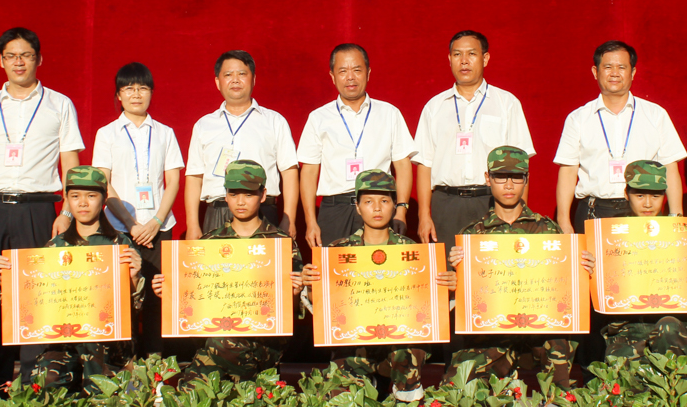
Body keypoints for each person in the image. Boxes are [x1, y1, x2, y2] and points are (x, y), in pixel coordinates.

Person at [0, 28, 85, 384]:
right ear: (1, 61)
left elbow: (70, 162)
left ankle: (35, 382)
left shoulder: (59, 104)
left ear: (38, 59)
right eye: (11, 56)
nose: (18, 62)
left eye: (26, 55)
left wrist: (67, 212)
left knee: (36, 293)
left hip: (37, 208)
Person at [443, 147, 594, 387]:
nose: (509, 185)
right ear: (487, 178)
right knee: (459, 388)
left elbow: (566, 284)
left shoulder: (548, 230)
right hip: (493, 331)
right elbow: (465, 294)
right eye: (500, 177)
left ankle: (557, 398)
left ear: (526, 179)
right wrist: (455, 282)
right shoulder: (472, 235)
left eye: (516, 177)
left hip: (540, 329)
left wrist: (585, 270)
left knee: (559, 344)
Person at [303, 170, 455, 401]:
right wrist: (311, 284)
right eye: (368, 202)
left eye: (384, 201)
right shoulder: (336, 252)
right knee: (340, 399)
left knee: (408, 351)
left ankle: (406, 400)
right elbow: (321, 306)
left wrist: (448, 287)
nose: (376, 208)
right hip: (354, 343)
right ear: (357, 207)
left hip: (398, 343)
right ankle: (364, 389)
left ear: (395, 205)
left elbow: (428, 306)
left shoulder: (413, 252)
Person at [0, 166, 145, 391]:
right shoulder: (55, 246)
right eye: (75, 196)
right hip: (63, 342)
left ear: (104, 200)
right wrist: (3, 280)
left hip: (109, 343)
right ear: (67, 200)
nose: (83, 203)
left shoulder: (120, 245)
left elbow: (135, 307)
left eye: (91, 196)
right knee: (46, 381)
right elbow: (31, 302)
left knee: (107, 395)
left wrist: (134, 277)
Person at [157, 160, 303, 383]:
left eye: (249, 195)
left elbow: (292, 313)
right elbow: (194, 303)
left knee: (220, 348)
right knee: (218, 346)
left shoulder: (280, 245)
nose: (240, 202)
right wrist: (169, 292)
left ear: (263, 195)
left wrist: (294, 292)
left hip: (261, 341)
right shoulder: (209, 243)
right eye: (233, 194)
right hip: (215, 337)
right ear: (225, 196)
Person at [90, 62, 184, 355]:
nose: (136, 94)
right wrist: (131, 224)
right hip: (119, 229)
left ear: (151, 93)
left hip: (159, 229)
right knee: (121, 298)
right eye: (128, 88)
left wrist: (156, 221)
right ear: (118, 95)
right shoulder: (107, 134)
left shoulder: (165, 133)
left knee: (157, 299)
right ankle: (123, 365)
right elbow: (103, 183)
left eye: (142, 88)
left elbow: (173, 181)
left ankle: (155, 368)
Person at [597, 161, 687, 361]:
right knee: (624, 377)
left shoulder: (683, 233)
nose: (648, 204)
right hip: (627, 325)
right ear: (626, 194)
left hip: (673, 324)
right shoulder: (607, 235)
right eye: (640, 195)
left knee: (669, 326)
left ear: (664, 196)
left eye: (655, 196)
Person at [413, 31, 535, 247]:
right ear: (449, 59)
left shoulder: (506, 103)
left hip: (493, 202)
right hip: (447, 204)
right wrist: (424, 215)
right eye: (457, 54)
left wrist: (521, 214)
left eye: (471, 54)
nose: (464, 61)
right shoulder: (434, 107)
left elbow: (521, 165)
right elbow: (425, 165)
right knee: (450, 266)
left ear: (485, 58)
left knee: (494, 265)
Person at [554, 40, 687, 235]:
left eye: (622, 67)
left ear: (633, 72)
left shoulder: (656, 115)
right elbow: (568, 171)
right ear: (595, 72)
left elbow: (670, 168)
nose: (614, 73)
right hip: (593, 212)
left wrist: (676, 217)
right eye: (608, 67)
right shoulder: (578, 118)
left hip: (642, 214)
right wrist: (563, 221)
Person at [298, 43, 416, 249]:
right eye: (343, 71)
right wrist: (310, 221)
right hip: (335, 209)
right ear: (332, 76)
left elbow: (403, 165)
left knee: (380, 264)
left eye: (357, 70)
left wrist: (401, 210)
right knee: (334, 267)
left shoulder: (389, 113)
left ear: (368, 73)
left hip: (377, 206)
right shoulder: (318, 118)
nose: (350, 77)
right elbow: (308, 172)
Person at [183, 51, 299, 240]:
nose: (235, 80)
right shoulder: (204, 125)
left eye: (242, 74)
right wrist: (192, 225)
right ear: (217, 82)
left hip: (263, 212)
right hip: (218, 213)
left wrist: (289, 219)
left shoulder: (274, 121)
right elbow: (194, 177)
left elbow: (289, 171)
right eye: (228, 75)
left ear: (253, 79)